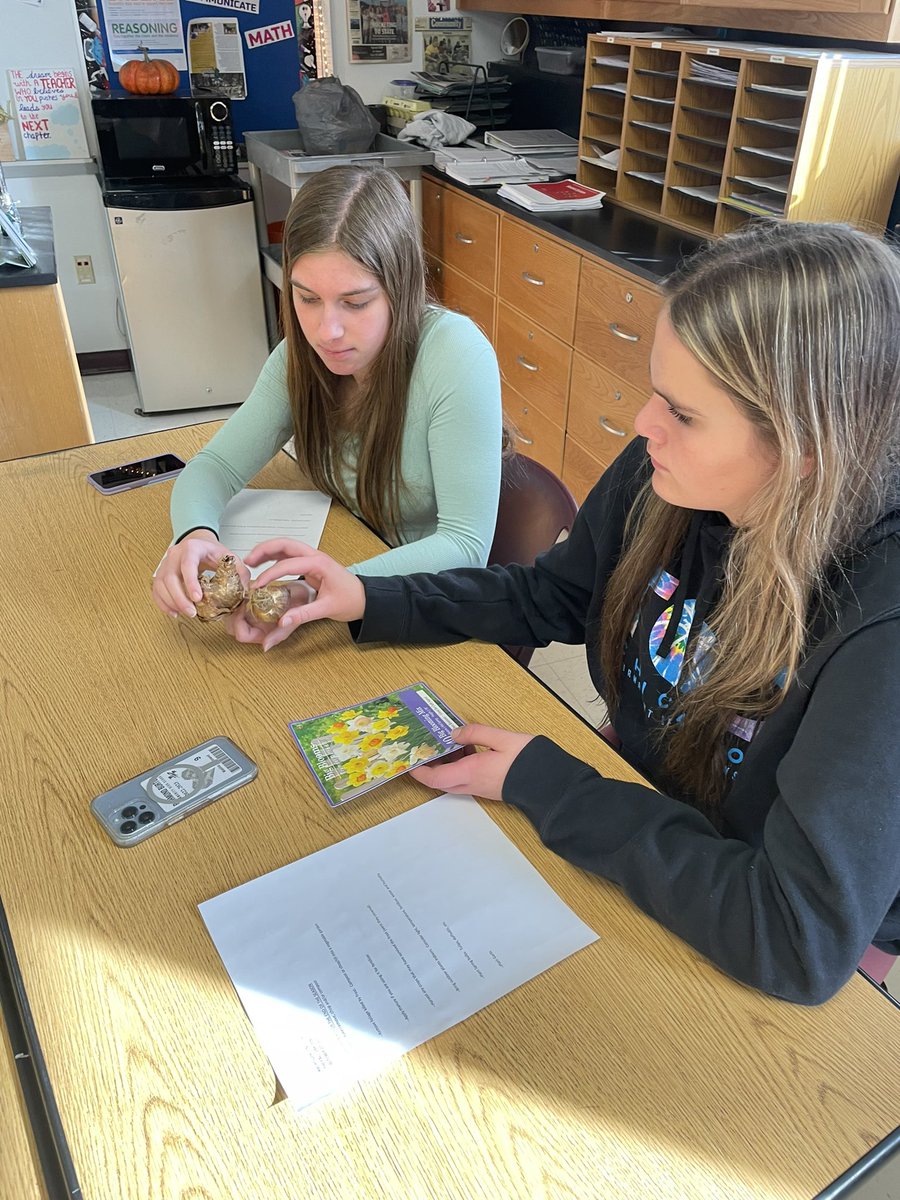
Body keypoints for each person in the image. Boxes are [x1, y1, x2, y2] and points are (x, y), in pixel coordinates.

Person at [240, 221, 900, 1006]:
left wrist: (547, 782)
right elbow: (551, 593)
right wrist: (364, 596)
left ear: (803, 449)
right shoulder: (670, 484)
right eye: (656, 389)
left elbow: (795, 935)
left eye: (683, 414)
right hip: (653, 803)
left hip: (774, 906)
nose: (641, 425)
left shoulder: (877, 626)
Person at [152, 164, 503, 641]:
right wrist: (194, 536)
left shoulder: (455, 356)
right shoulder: (300, 358)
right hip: (354, 560)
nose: (326, 331)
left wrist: (319, 587)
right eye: (307, 298)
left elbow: (465, 546)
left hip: (419, 601)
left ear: (400, 288)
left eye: (355, 303)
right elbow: (214, 466)